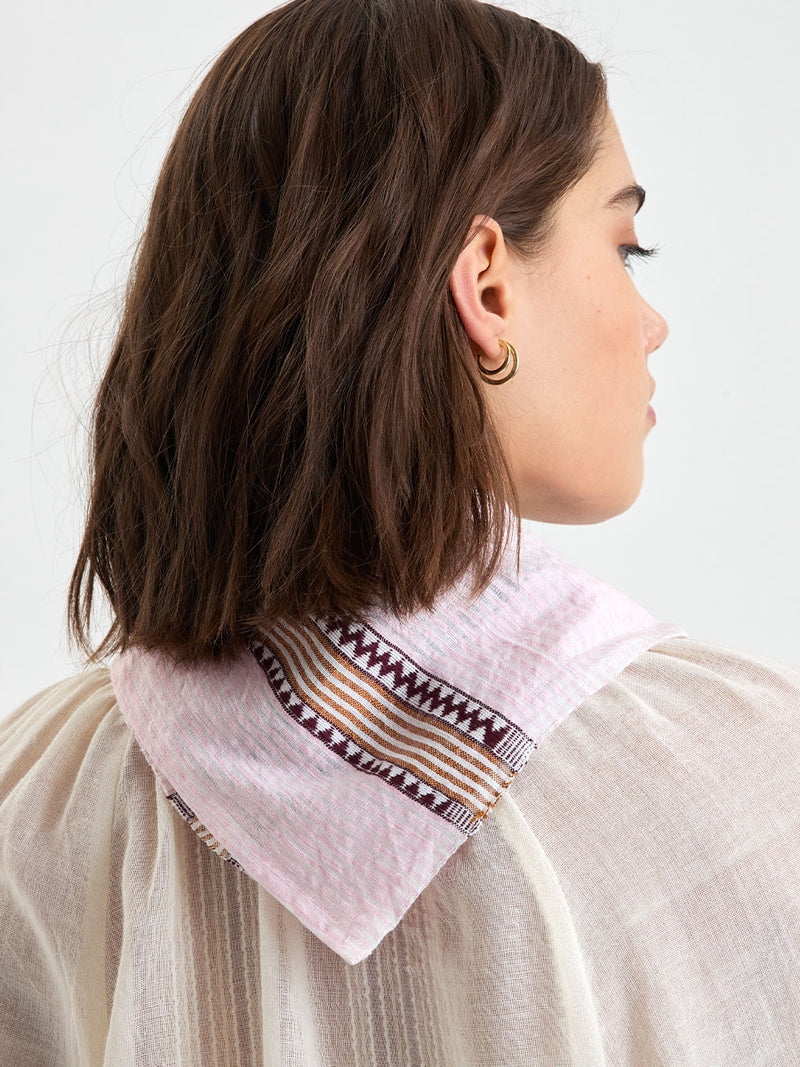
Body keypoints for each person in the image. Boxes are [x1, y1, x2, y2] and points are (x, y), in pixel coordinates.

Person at [2, 0, 799, 1063]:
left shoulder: (38, 800)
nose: (647, 319)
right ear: (484, 283)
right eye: (624, 243)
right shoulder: (731, 775)